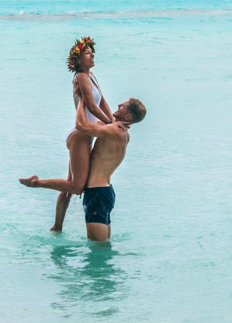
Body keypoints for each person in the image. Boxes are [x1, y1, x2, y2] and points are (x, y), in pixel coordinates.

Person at [20, 97, 147, 240]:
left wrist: (82, 101)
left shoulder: (114, 130)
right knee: (103, 247)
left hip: (97, 193)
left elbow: (81, 126)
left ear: (128, 116)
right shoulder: (122, 132)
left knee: (98, 250)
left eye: (122, 106)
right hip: (105, 192)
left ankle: (36, 183)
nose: (118, 105)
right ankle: (56, 223)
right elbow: (103, 111)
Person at [52, 36, 113, 233]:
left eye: (92, 52)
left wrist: (113, 121)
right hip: (80, 135)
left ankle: (57, 227)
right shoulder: (80, 77)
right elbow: (92, 107)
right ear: (77, 60)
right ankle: (36, 183)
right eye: (87, 53)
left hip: (86, 134)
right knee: (76, 186)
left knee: (70, 184)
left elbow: (102, 102)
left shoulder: (92, 76)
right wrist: (110, 125)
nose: (92, 54)